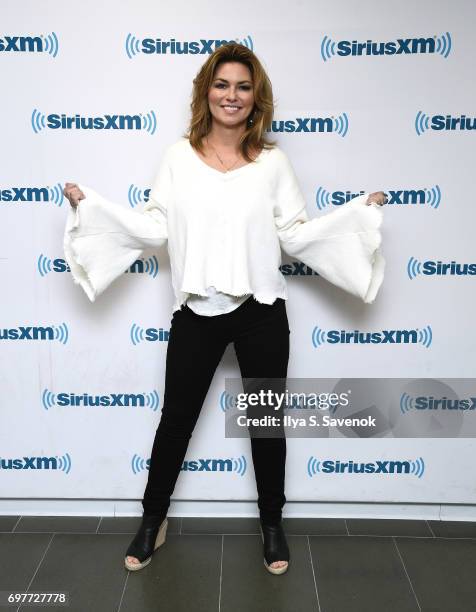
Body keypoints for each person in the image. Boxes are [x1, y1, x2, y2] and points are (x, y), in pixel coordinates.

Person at [63, 42, 387, 576]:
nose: (230, 95)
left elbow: (296, 236)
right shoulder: (177, 157)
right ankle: (151, 523)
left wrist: (358, 217)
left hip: (261, 310)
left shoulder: (274, 163)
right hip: (197, 310)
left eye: (241, 86)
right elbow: (154, 227)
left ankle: (272, 526)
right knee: (175, 422)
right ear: (205, 92)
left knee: (266, 424)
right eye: (221, 84)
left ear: (255, 96)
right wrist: (90, 209)